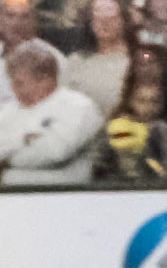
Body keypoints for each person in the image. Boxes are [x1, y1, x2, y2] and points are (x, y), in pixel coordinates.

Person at [0, 38, 102, 184]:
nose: (13, 88)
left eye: (19, 83)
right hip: (10, 191)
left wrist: (7, 158)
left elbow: (56, 152)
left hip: (63, 191)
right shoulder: (9, 109)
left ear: (46, 80)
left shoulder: (79, 106)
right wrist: (25, 139)